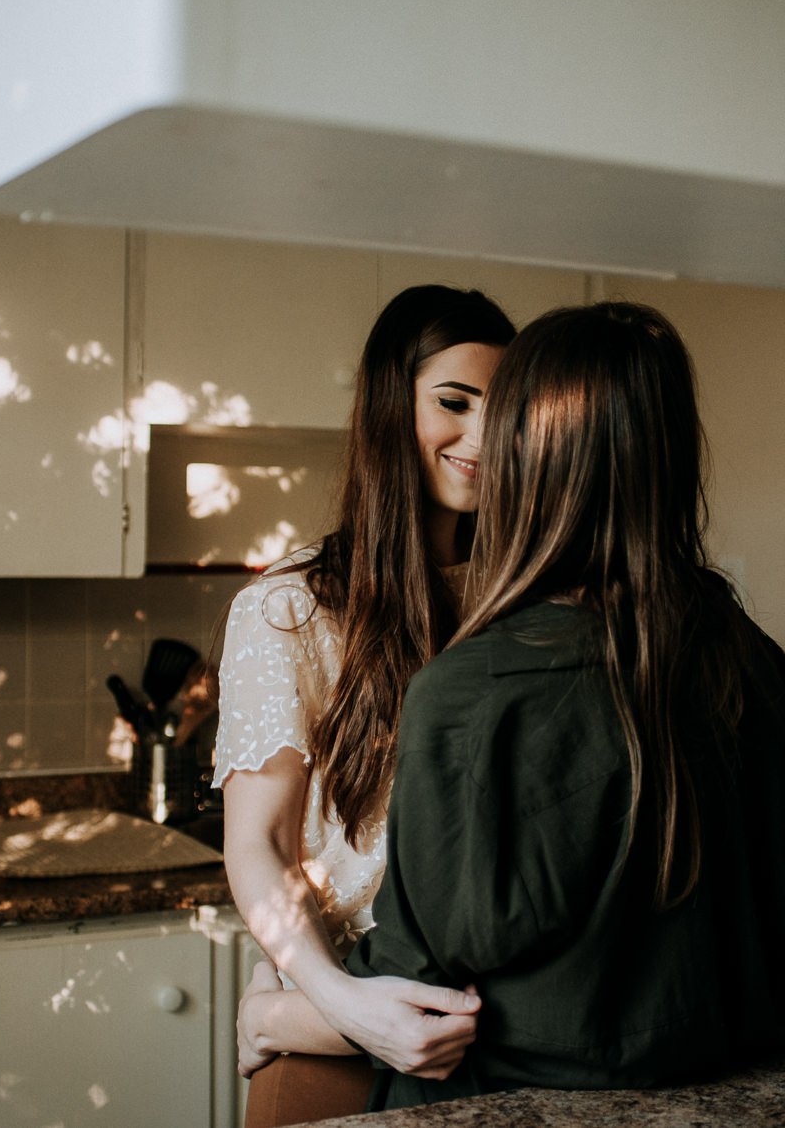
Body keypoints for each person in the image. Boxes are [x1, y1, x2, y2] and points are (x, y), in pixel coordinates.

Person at [323, 301, 785, 1108]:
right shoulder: (750, 659)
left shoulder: (473, 694)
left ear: (525, 458)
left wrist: (275, 1011)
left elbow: (413, 992)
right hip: (740, 1093)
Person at [213, 284, 516, 1125]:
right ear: (390, 409)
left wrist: (274, 1012)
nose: (483, 438)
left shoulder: (528, 598)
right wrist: (336, 1006)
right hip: (349, 1039)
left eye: (505, 410)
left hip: (494, 1040)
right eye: (453, 403)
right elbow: (259, 842)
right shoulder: (291, 608)